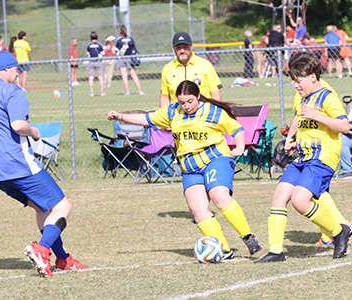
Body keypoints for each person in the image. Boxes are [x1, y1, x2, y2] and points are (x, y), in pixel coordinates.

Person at [0, 51, 88, 278]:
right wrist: (34, 131)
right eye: (16, 69)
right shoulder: (11, 90)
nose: (18, 74)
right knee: (63, 207)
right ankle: (42, 249)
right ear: (7, 69)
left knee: (43, 207)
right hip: (16, 163)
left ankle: (63, 259)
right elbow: (17, 125)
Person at [107, 80, 262, 260]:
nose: (186, 106)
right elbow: (146, 120)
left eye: (190, 101)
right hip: (190, 167)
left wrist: (240, 146)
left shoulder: (212, 111)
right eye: (182, 102)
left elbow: (236, 129)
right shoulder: (173, 111)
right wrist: (120, 116)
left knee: (219, 196)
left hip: (215, 159)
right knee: (197, 209)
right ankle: (223, 250)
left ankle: (248, 237)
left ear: (198, 96)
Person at [255, 52, 351, 263]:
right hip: (304, 156)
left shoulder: (328, 96)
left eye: (298, 81)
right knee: (279, 196)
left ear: (313, 77)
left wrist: (317, 115)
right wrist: (293, 141)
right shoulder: (305, 97)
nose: (295, 85)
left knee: (300, 201)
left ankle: (338, 231)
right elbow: (303, 121)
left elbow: (345, 126)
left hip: (323, 157)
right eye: (294, 81)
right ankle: (276, 251)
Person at [159, 32, 222, 107]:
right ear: (174, 48)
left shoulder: (205, 65)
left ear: (191, 46)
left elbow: (215, 94)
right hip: (178, 115)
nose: (182, 51)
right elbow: (165, 97)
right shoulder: (167, 69)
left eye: (185, 47)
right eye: (178, 48)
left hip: (203, 114)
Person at [115, 26, 144, 96]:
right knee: (133, 74)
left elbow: (116, 49)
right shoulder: (130, 39)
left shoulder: (119, 40)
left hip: (121, 58)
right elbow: (133, 48)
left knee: (124, 75)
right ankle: (140, 90)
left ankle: (127, 91)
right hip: (129, 58)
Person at [86, 31, 105, 97]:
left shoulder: (89, 45)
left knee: (91, 77)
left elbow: (88, 53)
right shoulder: (99, 44)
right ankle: (102, 92)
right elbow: (103, 53)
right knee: (100, 77)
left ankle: (91, 92)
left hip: (91, 62)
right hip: (98, 62)